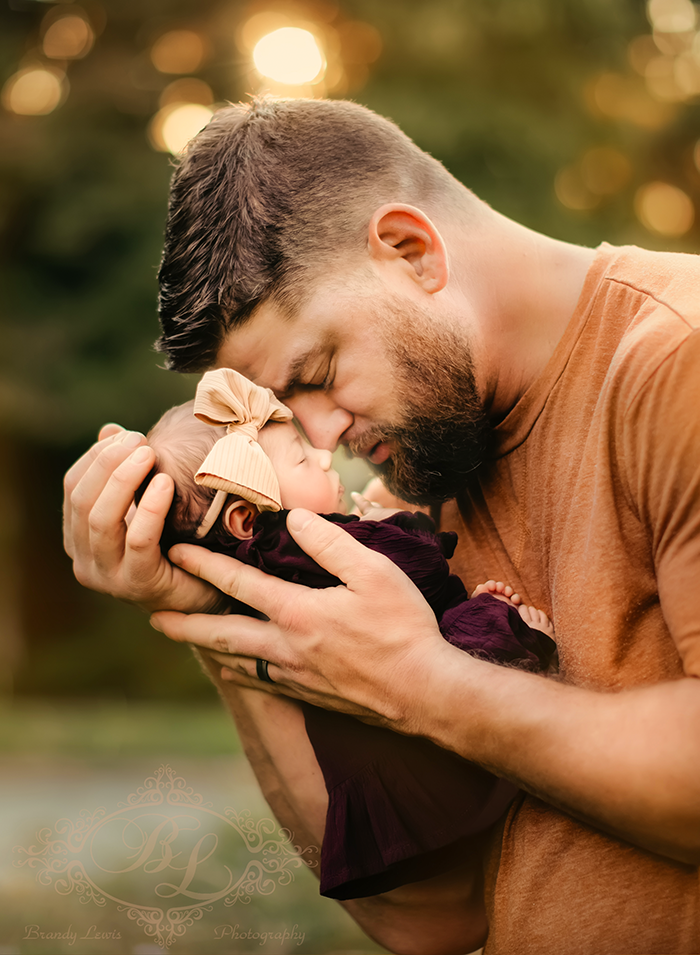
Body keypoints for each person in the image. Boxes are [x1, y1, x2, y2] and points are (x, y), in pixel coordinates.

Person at [63, 96, 700, 955]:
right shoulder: (433, 459)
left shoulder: (677, 363)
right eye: (283, 416)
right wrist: (224, 603)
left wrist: (425, 685)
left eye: (318, 373)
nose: (324, 437)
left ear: (411, 250)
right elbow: (429, 915)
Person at [145, 366, 555, 901]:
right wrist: (400, 524)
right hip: (436, 764)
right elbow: (419, 568)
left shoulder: (262, 573)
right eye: (298, 457)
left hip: (381, 773)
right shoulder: (310, 542)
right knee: (469, 627)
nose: (322, 453)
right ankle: (525, 641)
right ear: (247, 519)